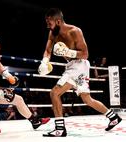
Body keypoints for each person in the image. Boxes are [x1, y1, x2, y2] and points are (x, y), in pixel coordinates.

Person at [38, 8, 122, 137]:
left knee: (54, 93)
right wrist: (44, 62)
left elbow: (85, 54)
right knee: (87, 99)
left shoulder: (75, 31)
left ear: (58, 21)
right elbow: (48, 50)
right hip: (74, 66)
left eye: (49, 23)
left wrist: (68, 52)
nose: (47, 25)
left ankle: (60, 129)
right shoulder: (52, 33)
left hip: (79, 64)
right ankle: (113, 117)